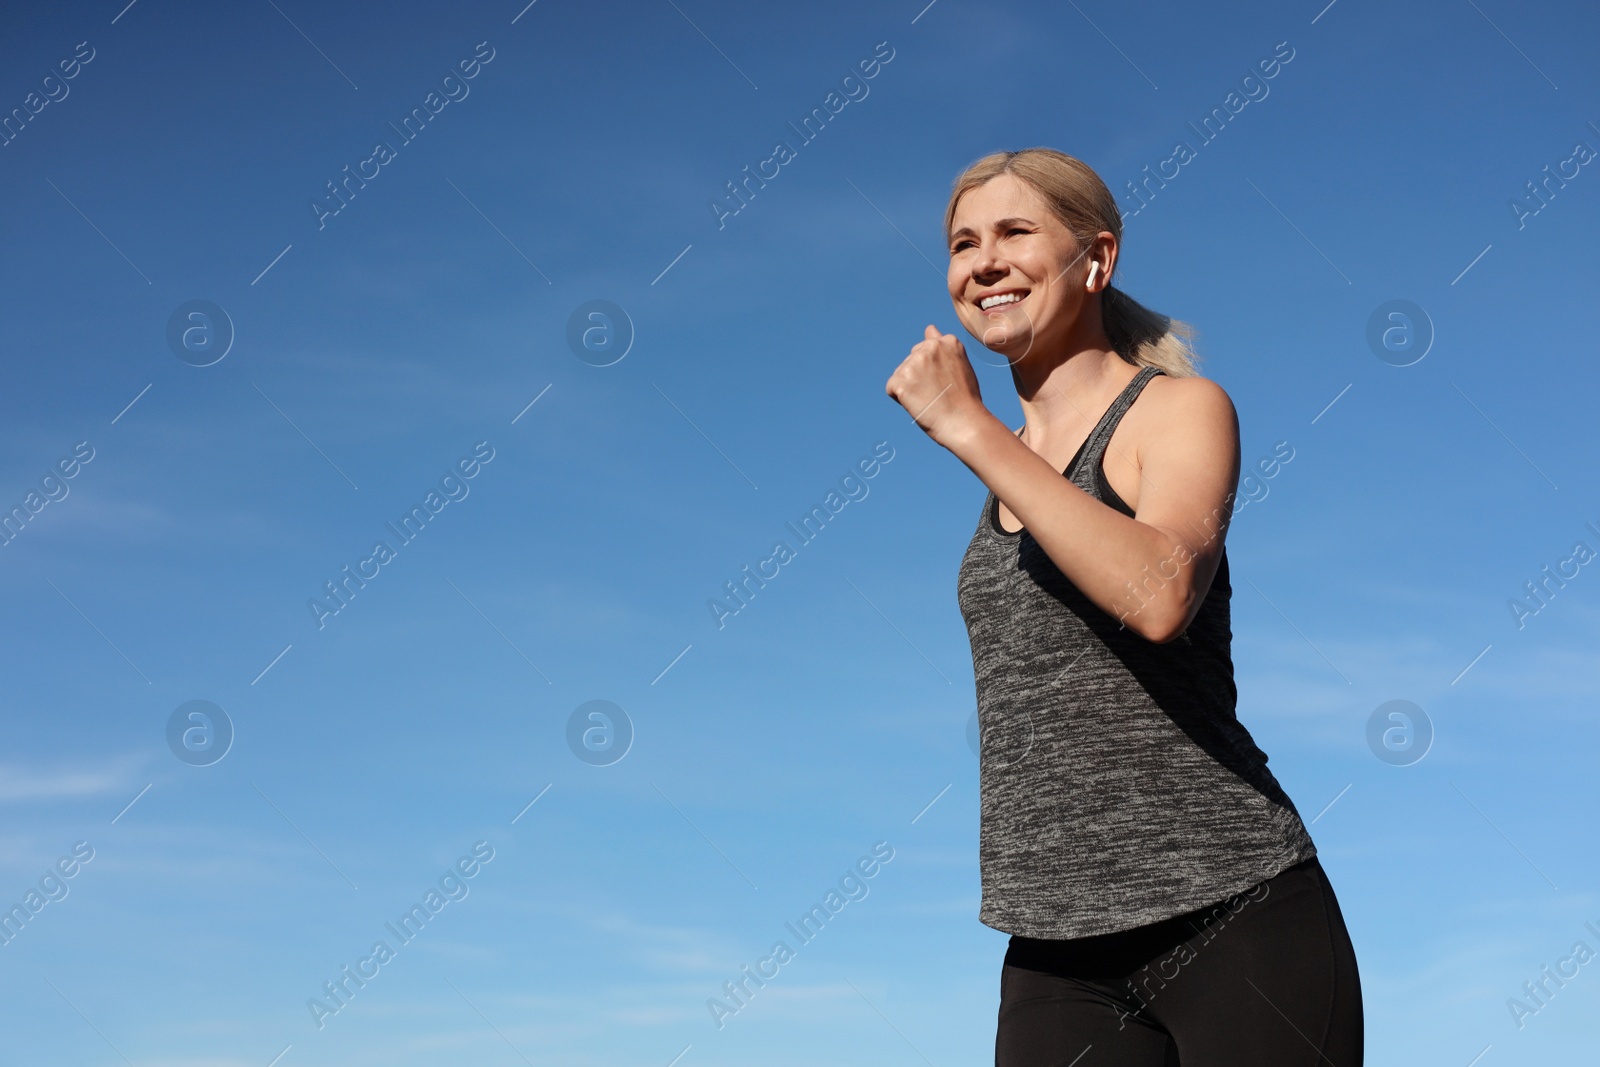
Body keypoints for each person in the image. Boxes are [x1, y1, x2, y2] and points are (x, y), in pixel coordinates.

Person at [885, 148, 1362, 1066]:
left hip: (1233, 906)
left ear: (1096, 259)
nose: (982, 262)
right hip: (1054, 945)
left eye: (1017, 232)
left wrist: (968, 426)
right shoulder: (1007, 471)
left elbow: (1160, 595)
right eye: (962, 243)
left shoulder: (1177, 411)